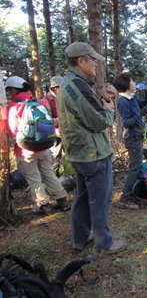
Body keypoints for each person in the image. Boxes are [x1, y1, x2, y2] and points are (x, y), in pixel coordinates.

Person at [57, 41, 125, 254]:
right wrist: (108, 108)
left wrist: (101, 102)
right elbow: (97, 121)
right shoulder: (77, 86)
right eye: (92, 59)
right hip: (92, 153)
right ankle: (104, 243)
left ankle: (80, 237)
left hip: (80, 153)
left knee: (83, 197)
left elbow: (84, 113)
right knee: (100, 199)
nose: (95, 64)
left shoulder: (69, 83)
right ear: (81, 61)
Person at [5, 76, 68, 214]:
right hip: (45, 146)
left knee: (34, 178)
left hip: (25, 150)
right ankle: (62, 199)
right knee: (48, 173)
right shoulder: (37, 103)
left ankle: (43, 205)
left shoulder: (13, 108)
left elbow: (11, 130)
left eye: (9, 91)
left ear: (13, 90)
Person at [113, 73, 147, 210]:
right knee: (134, 168)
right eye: (132, 81)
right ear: (127, 85)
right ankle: (125, 198)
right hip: (131, 137)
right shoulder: (123, 101)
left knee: (137, 166)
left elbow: (145, 103)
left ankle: (136, 192)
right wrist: (140, 114)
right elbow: (127, 123)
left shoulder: (133, 97)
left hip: (138, 135)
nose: (135, 82)